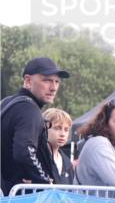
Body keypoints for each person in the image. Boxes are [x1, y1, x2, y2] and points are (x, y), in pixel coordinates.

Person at [1, 57, 70, 195]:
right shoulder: (29, 109)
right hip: (17, 200)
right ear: (28, 81)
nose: (54, 87)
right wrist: (46, 182)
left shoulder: (7, 103)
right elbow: (25, 152)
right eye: (47, 80)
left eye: (57, 82)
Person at [43, 108, 75, 185]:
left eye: (66, 129)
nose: (63, 134)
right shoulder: (34, 157)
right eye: (57, 128)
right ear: (44, 128)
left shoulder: (67, 163)